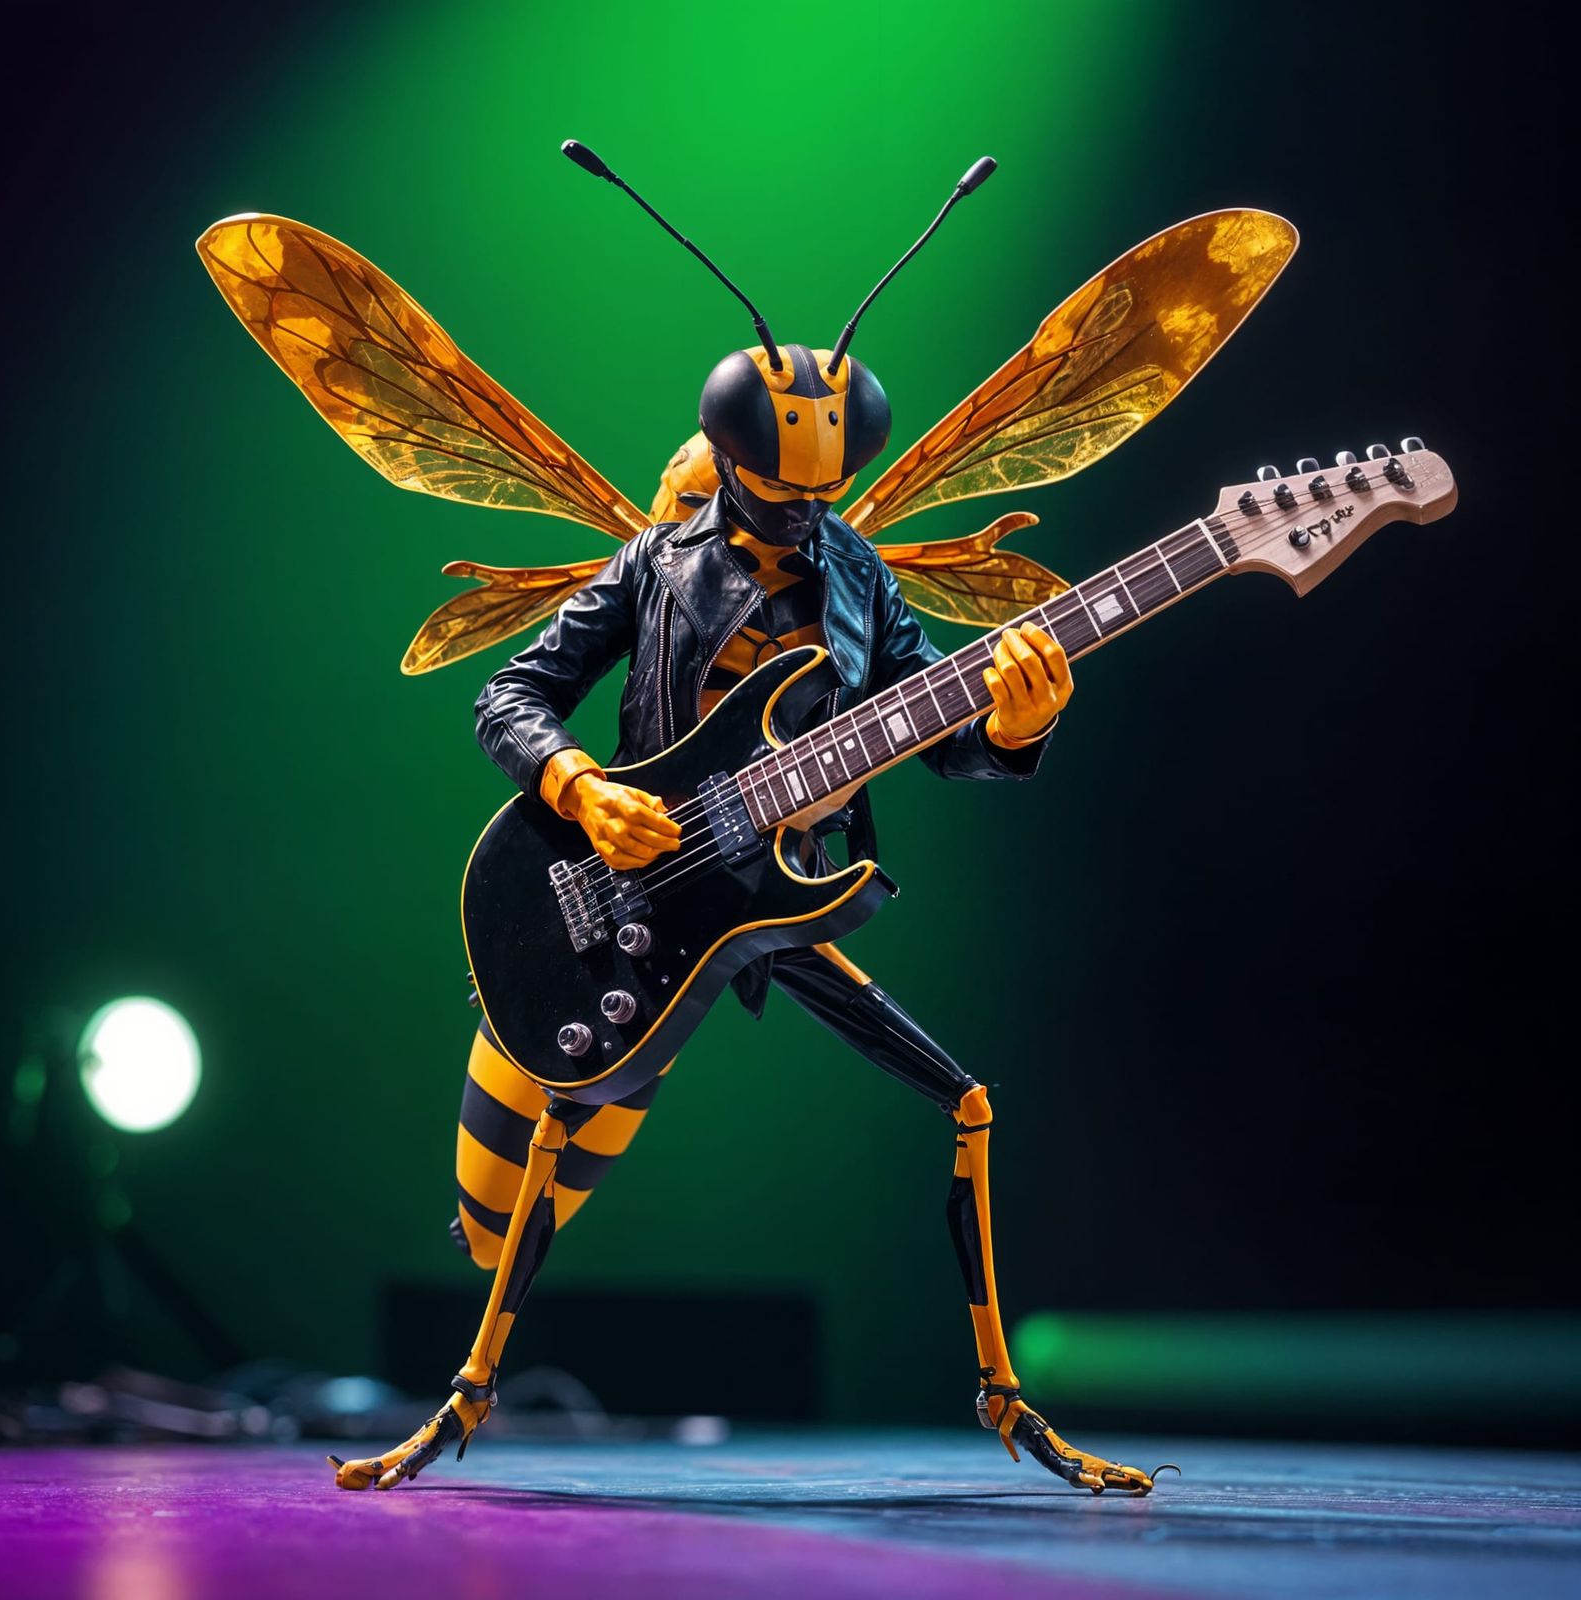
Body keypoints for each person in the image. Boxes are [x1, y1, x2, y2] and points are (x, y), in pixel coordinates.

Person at [331, 342, 1157, 1496]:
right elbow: (509, 692)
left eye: (825, 480)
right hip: (622, 897)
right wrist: (580, 786)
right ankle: (464, 1397)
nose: (805, 500)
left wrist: (1015, 725)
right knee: (537, 1143)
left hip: (776, 892)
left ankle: (1010, 1406)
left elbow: (944, 731)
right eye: (778, 475)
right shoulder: (651, 564)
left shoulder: (863, 579)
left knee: (964, 1101)